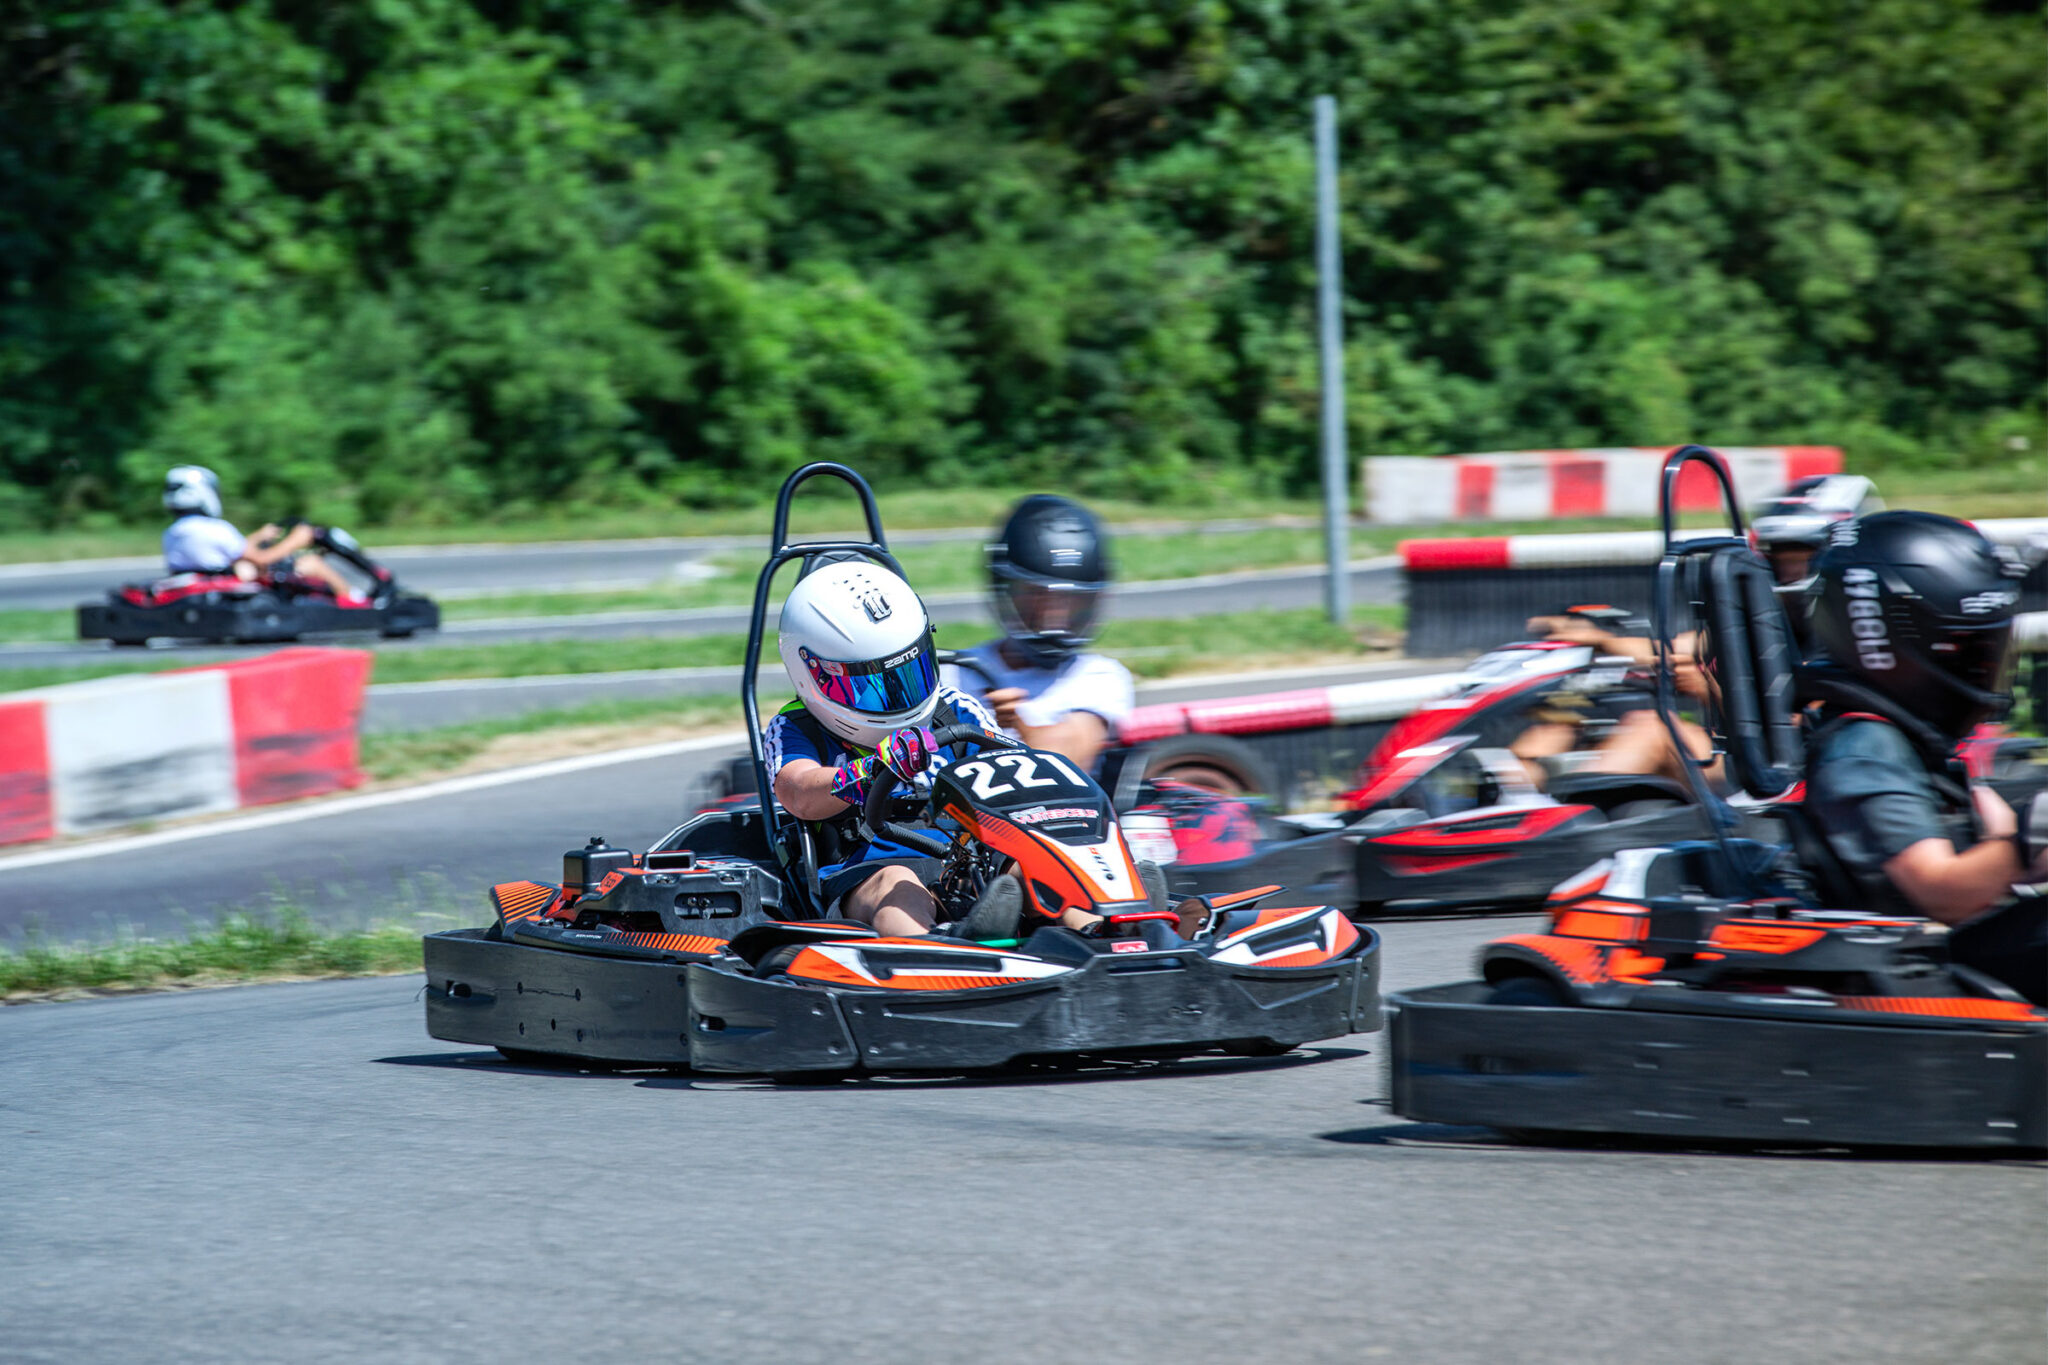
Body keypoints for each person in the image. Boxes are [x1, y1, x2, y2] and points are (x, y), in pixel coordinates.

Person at [765, 557, 1107, 938]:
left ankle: (1101, 930)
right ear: (811, 673)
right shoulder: (796, 727)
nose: (898, 697)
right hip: (864, 872)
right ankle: (934, 952)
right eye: (871, 685)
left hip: (964, 861)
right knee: (899, 885)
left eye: (907, 674)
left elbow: (1013, 772)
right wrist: (870, 770)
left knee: (1033, 864)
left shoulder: (955, 709)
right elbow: (798, 792)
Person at [1802, 510, 2046, 1005]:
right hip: (1925, 972)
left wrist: (2023, 843)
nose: (1988, 667)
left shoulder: (1913, 744)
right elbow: (1941, 892)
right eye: (1972, 650)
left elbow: (2001, 844)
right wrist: (2030, 834)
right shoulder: (1864, 750)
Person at [942, 495, 1135, 772]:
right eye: (1037, 598)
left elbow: (1062, 764)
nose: (1055, 618)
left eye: (1072, 605)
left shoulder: (1099, 677)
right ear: (1006, 591)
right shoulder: (954, 673)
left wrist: (1013, 722)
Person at [160, 466, 359, 599]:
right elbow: (263, 559)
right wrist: (296, 540)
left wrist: (258, 537)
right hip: (231, 585)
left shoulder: (172, 532)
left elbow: (227, 554)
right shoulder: (214, 528)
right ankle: (353, 601)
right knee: (310, 563)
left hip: (209, 583)